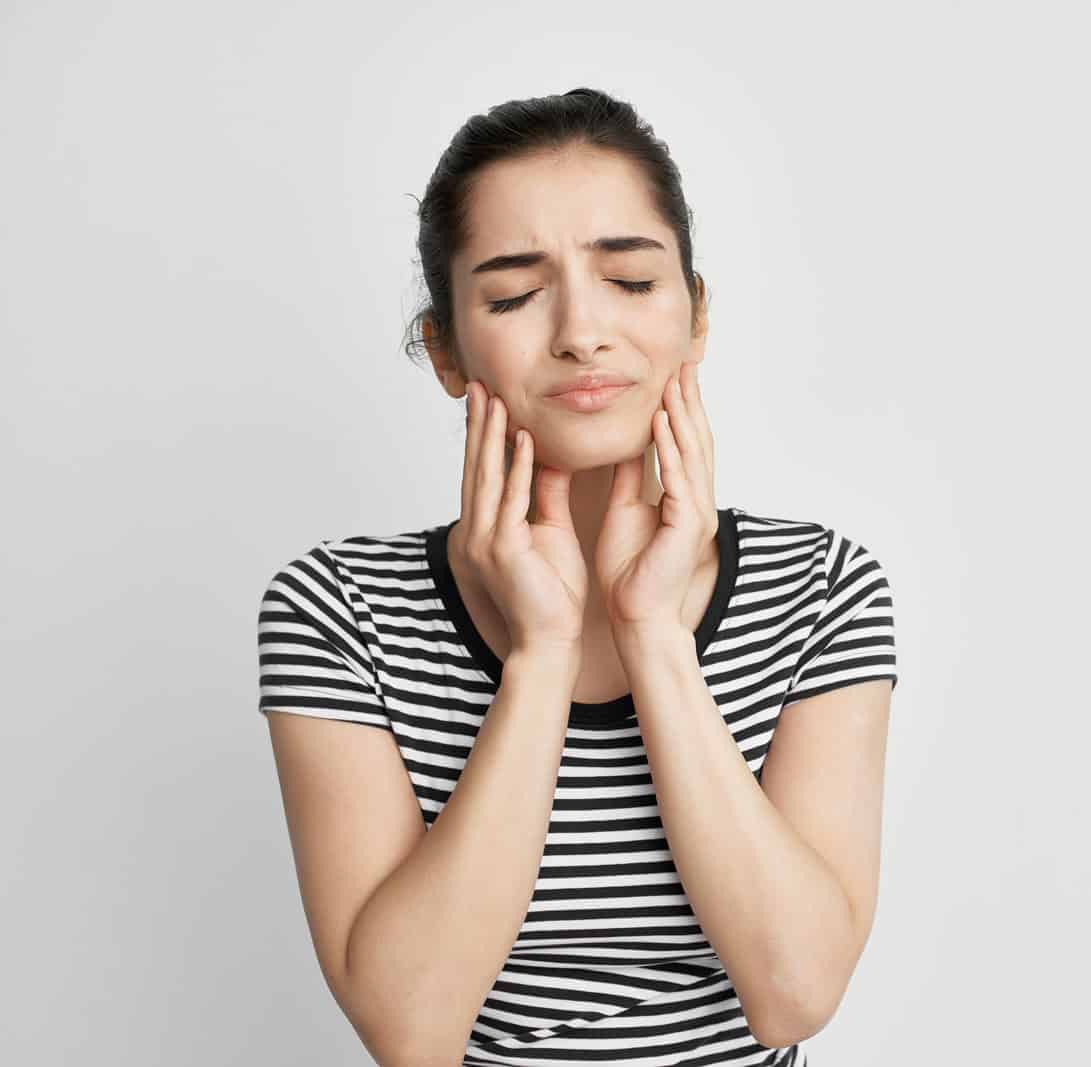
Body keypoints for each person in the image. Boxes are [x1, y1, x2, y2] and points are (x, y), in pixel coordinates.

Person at [256, 87, 898, 1067]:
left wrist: (652, 637)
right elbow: (410, 1030)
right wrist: (543, 655)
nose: (581, 332)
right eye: (514, 294)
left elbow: (794, 992)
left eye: (631, 281)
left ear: (695, 318)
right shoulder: (336, 607)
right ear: (445, 351)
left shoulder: (820, 586)